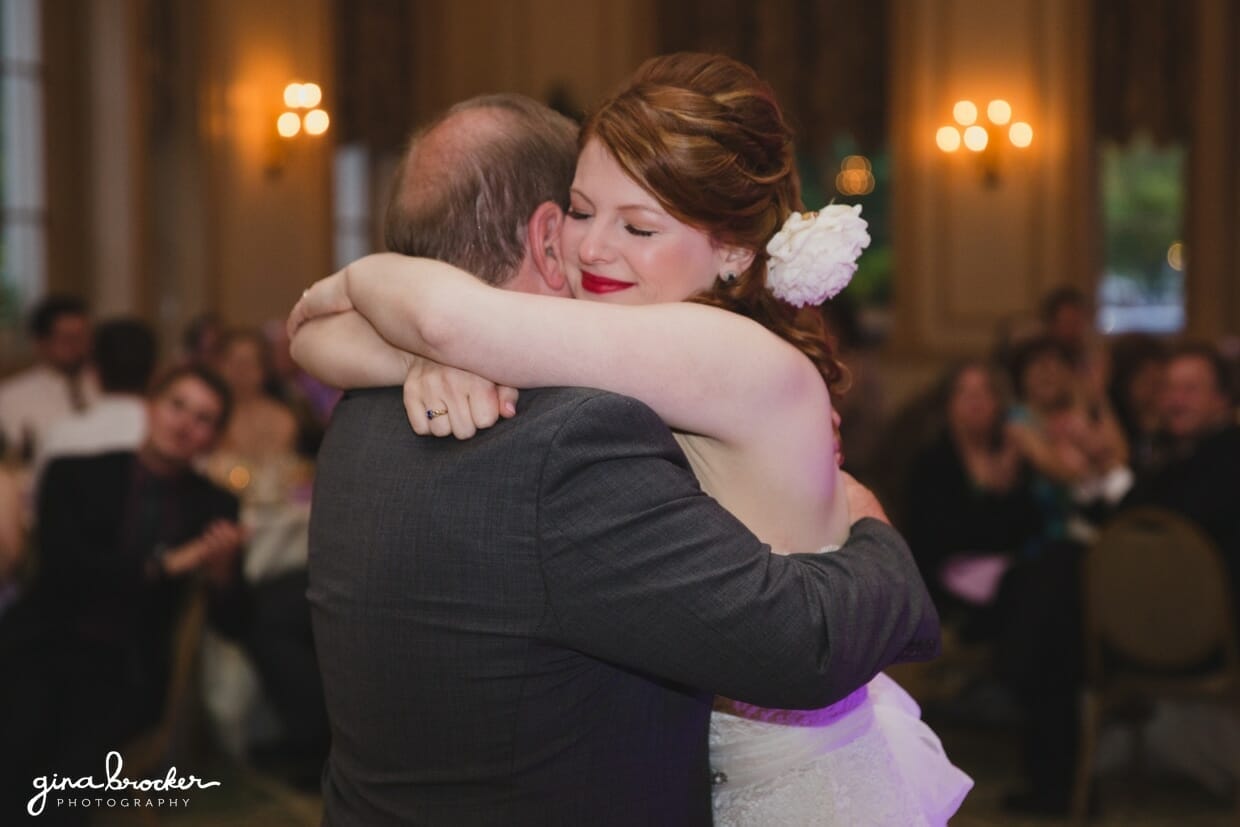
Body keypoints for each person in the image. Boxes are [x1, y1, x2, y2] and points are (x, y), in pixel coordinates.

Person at [291, 57, 961, 825]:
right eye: (580, 211)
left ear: (736, 251)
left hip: (796, 788)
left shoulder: (714, 349)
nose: (593, 249)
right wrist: (423, 358)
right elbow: (354, 344)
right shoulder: (643, 344)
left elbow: (406, 323)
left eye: (638, 226)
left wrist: (365, 282)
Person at [0, 365, 249, 824]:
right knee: (16, 742)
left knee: (66, 779)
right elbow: (63, 572)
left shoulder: (215, 505)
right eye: (177, 405)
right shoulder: (75, 473)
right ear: (151, 406)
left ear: (213, 437)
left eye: (203, 418)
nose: (183, 424)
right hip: (40, 643)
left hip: (125, 665)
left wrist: (222, 571)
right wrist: (163, 565)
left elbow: (234, 623)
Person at [32, 318, 157, 484]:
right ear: (155, 372)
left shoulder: (62, 434)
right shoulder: (168, 436)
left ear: (93, 370)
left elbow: (39, 500)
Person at [0, 295, 98, 463]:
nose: (78, 347)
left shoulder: (105, 385)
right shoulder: (10, 397)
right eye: (68, 339)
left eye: (83, 338)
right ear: (41, 343)